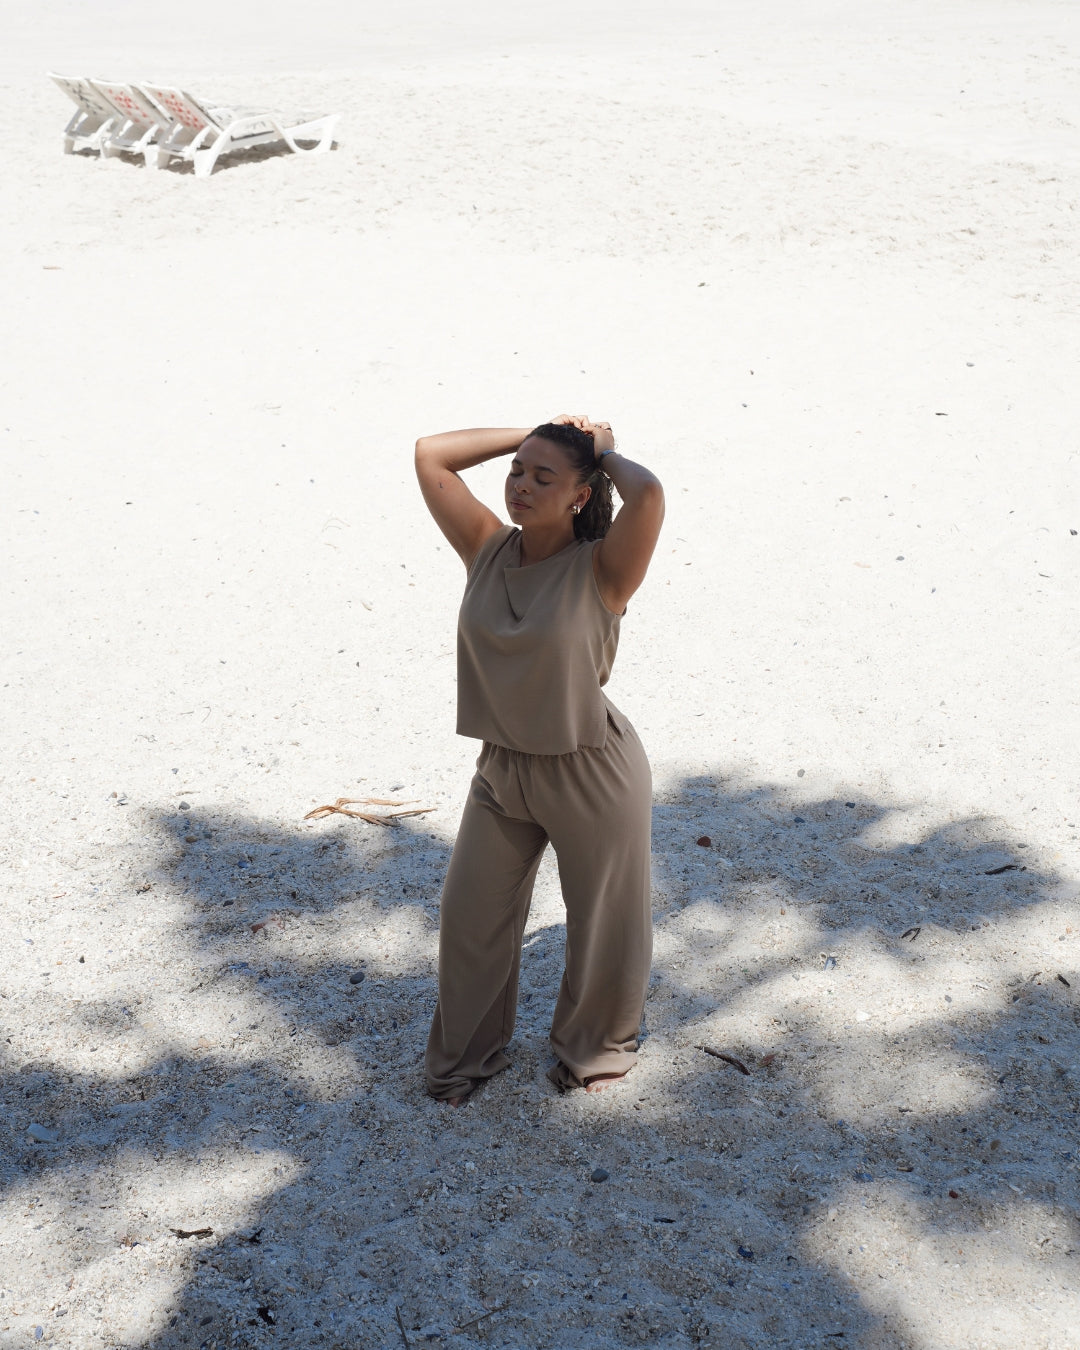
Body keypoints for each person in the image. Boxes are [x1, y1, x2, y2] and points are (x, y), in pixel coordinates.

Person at [414, 415, 664, 1104]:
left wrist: (602, 452)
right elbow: (431, 455)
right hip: (502, 770)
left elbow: (648, 495)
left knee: (603, 925)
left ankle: (595, 1051)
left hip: (590, 769)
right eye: (517, 472)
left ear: (580, 495)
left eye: (541, 477)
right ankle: (463, 1060)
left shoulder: (605, 567)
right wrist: (538, 432)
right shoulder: (488, 547)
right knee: (471, 920)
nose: (520, 485)